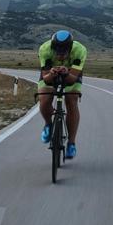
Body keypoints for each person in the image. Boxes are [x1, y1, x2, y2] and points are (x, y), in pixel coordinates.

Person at [38, 29, 86, 159]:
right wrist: (52, 74)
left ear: (69, 49)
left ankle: (71, 143)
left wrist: (66, 73)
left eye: (63, 53)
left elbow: (72, 80)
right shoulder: (44, 49)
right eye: (57, 53)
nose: (60, 56)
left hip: (71, 73)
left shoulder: (80, 50)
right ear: (53, 49)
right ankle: (48, 124)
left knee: (72, 100)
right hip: (50, 73)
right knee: (44, 98)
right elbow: (46, 79)